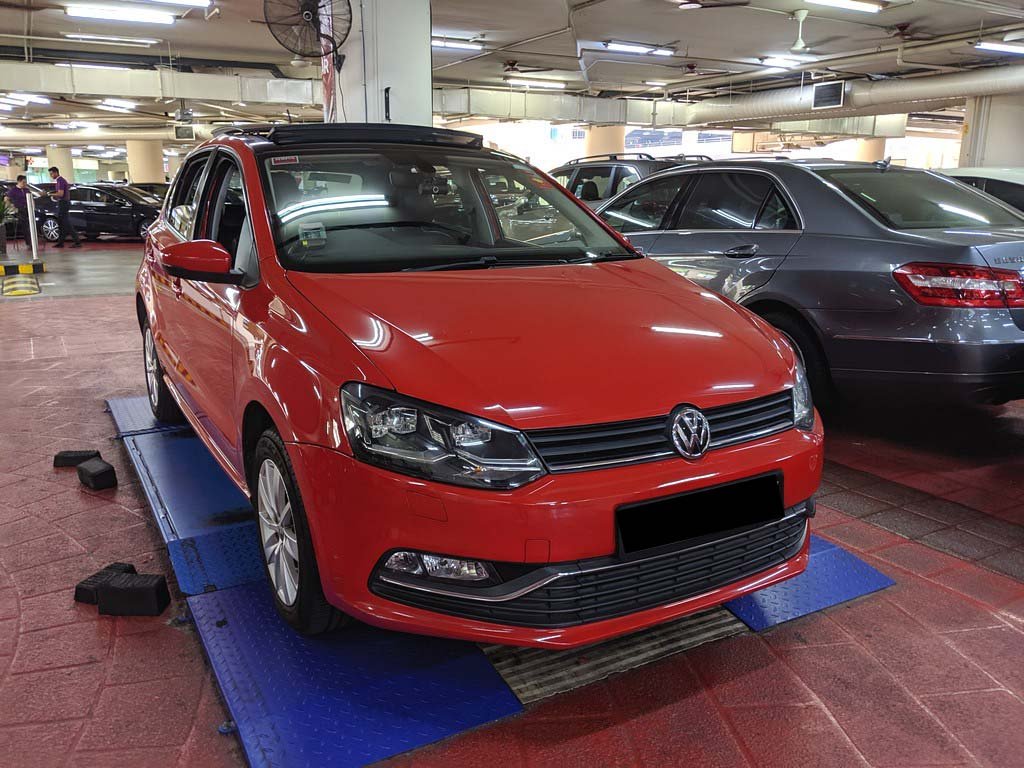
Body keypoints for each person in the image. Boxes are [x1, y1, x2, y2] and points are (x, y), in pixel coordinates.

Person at [48, 166, 81, 248]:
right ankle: (61, 242)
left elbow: (60, 194)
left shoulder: (60, 181)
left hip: (63, 203)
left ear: (56, 172)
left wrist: (49, 194)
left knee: (66, 223)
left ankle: (77, 241)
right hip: (63, 203)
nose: (51, 176)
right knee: (62, 223)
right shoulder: (60, 181)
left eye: (51, 174)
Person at [6, 175, 31, 247]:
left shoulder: (26, 190)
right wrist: (12, 207)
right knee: (25, 224)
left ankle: (34, 239)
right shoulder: (13, 190)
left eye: (25, 182)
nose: (25, 184)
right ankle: (29, 242)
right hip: (19, 209)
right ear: (19, 182)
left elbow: (30, 197)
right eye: (23, 182)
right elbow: (6, 199)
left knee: (31, 223)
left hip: (27, 208)